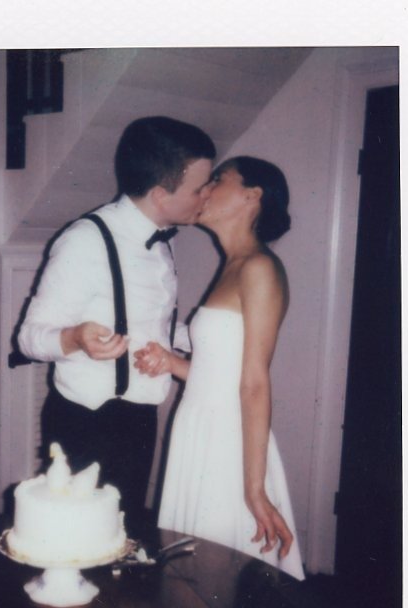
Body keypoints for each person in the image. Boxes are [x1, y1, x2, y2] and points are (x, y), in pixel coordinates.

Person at [17, 116, 216, 544]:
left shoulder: (162, 238)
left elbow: (151, 325)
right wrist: (74, 339)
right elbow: (29, 338)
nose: (208, 194)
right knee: (72, 548)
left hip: (139, 417)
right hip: (85, 422)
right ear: (161, 195)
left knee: (121, 543)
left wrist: (209, 336)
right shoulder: (84, 242)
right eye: (200, 187)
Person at [134, 156, 305, 579]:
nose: (205, 190)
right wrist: (172, 362)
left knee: (211, 580)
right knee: (188, 578)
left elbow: (254, 383)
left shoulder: (259, 267)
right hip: (197, 429)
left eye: (218, 180)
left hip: (229, 443)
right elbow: (221, 375)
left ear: (253, 195)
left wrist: (254, 488)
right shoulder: (232, 266)